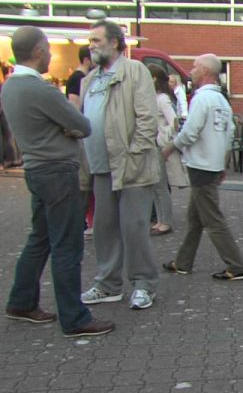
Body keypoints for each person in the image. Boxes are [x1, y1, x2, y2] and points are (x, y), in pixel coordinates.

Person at [2, 26, 114, 337]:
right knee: (67, 244)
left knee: (39, 238)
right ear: (38, 51)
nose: (51, 54)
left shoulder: (10, 86)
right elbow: (81, 124)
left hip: (36, 170)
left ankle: (21, 301)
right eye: (48, 49)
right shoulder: (41, 90)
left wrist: (65, 127)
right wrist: (68, 129)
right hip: (58, 171)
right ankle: (75, 318)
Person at [79, 20, 161, 310]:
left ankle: (143, 284)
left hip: (132, 167)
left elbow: (147, 118)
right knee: (104, 228)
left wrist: (136, 153)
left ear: (114, 42)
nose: (91, 45)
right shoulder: (89, 79)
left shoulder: (134, 71)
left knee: (134, 227)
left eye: (97, 40)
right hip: (101, 167)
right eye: (90, 41)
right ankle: (108, 284)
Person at [161, 53, 243, 281]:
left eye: (195, 66)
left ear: (205, 71)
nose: (191, 70)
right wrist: (222, 163)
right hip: (212, 164)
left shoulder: (201, 99)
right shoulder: (221, 101)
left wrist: (171, 147)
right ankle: (183, 261)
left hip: (200, 164)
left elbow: (190, 132)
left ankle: (236, 265)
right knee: (195, 217)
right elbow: (228, 133)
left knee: (212, 219)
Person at [64, 45, 96, 241]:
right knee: (85, 183)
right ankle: (82, 222)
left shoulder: (85, 77)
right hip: (84, 137)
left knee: (89, 183)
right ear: (86, 59)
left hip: (87, 135)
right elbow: (74, 108)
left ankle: (89, 221)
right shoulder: (77, 78)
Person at [147, 64, 181, 236]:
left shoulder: (162, 99)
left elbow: (173, 121)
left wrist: (164, 134)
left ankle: (165, 221)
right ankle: (160, 219)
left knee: (160, 185)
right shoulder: (153, 97)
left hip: (158, 144)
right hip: (152, 144)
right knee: (155, 185)